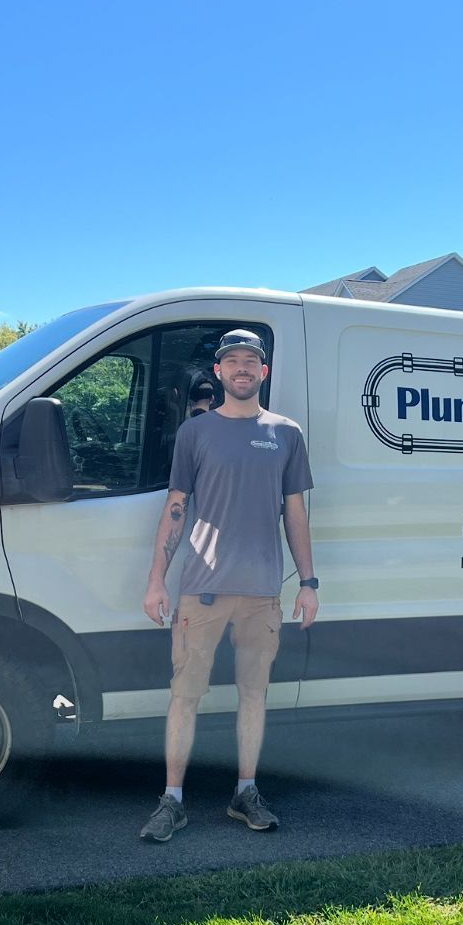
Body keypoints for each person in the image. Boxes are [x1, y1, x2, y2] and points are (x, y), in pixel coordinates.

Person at [140, 329, 319, 841]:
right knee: (185, 695)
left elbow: (296, 514)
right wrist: (157, 580)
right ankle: (172, 800)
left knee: (254, 696)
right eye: (232, 361)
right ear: (218, 372)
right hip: (202, 590)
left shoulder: (287, 433)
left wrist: (308, 581)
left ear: (263, 373)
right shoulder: (196, 434)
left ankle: (246, 792)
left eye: (251, 362)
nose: (242, 369)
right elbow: (175, 507)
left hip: (263, 592)